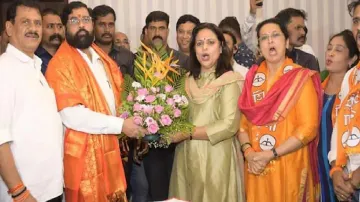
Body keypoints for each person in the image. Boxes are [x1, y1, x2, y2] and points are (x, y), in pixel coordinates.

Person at [45, 2, 147, 201]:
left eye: (86, 20)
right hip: (84, 157)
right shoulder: (59, 65)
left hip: (110, 147)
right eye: (74, 20)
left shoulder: (101, 57)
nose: (81, 25)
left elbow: (117, 95)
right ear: (65, 27)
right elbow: (72, 115)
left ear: (92, 24)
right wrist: (121, 125)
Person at [238, 18, 322, 202]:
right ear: (259, 46)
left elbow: (309, 128)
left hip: (288, 164)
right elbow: (242, 125)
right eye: (264, 38)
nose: (270, 41)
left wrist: (271, 154)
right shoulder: (252, 78)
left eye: (275, 35)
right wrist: (249, 154)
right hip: (255, 167)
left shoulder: (301, 78)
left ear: (286, 42)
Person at [169, 23, 244, 202]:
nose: (204, 47)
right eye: (199, 43)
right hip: (185, 156)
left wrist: (188, 133)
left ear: (220, 48)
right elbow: (174, 117)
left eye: (210, 42)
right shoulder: (185, 81)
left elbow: (229, 125)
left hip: (217, 158)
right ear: (194, 49)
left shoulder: (229, 81)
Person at [0, 0, 63, 201]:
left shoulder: (36, 67)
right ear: (9, 28)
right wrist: (19, 191)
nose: (33, 29)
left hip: (51, 190)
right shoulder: (4, 70)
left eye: (37, 23)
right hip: (24, 195)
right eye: (25, 22)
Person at [138, 11, 189, 201]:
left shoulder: (182, 60)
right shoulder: (138, 60)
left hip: (179, 140)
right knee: (157, 192)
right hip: (150, 142)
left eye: (161, 28)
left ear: (168, 31)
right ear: (147, 31)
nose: (157, 32)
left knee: (180, 191)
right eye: (153, 28)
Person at [318, 30, 359, 202]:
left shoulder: (351, 92)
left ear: (352, 59)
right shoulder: (316, 87)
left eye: (339, 49)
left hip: (349, 167)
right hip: (322, 163)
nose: (331, 53)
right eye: (329, 48)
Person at [328, 1, 360, 201]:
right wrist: (336, 169)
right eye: (356, 21)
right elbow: (340, 126)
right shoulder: (351, 76)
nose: (359, 28)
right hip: (348, 181)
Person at [92, 5, 135, 77]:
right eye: (102, 25)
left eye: (111, 25)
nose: (107, 30)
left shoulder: (126, 55)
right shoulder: (87, 54)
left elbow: (134, 85)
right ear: (93, 26)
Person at [35, 8, 64, 74]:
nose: (56, 32)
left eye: (59, 27)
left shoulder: (68, 55)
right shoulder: (34, 58)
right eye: (50, 26)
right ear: (40, 29)